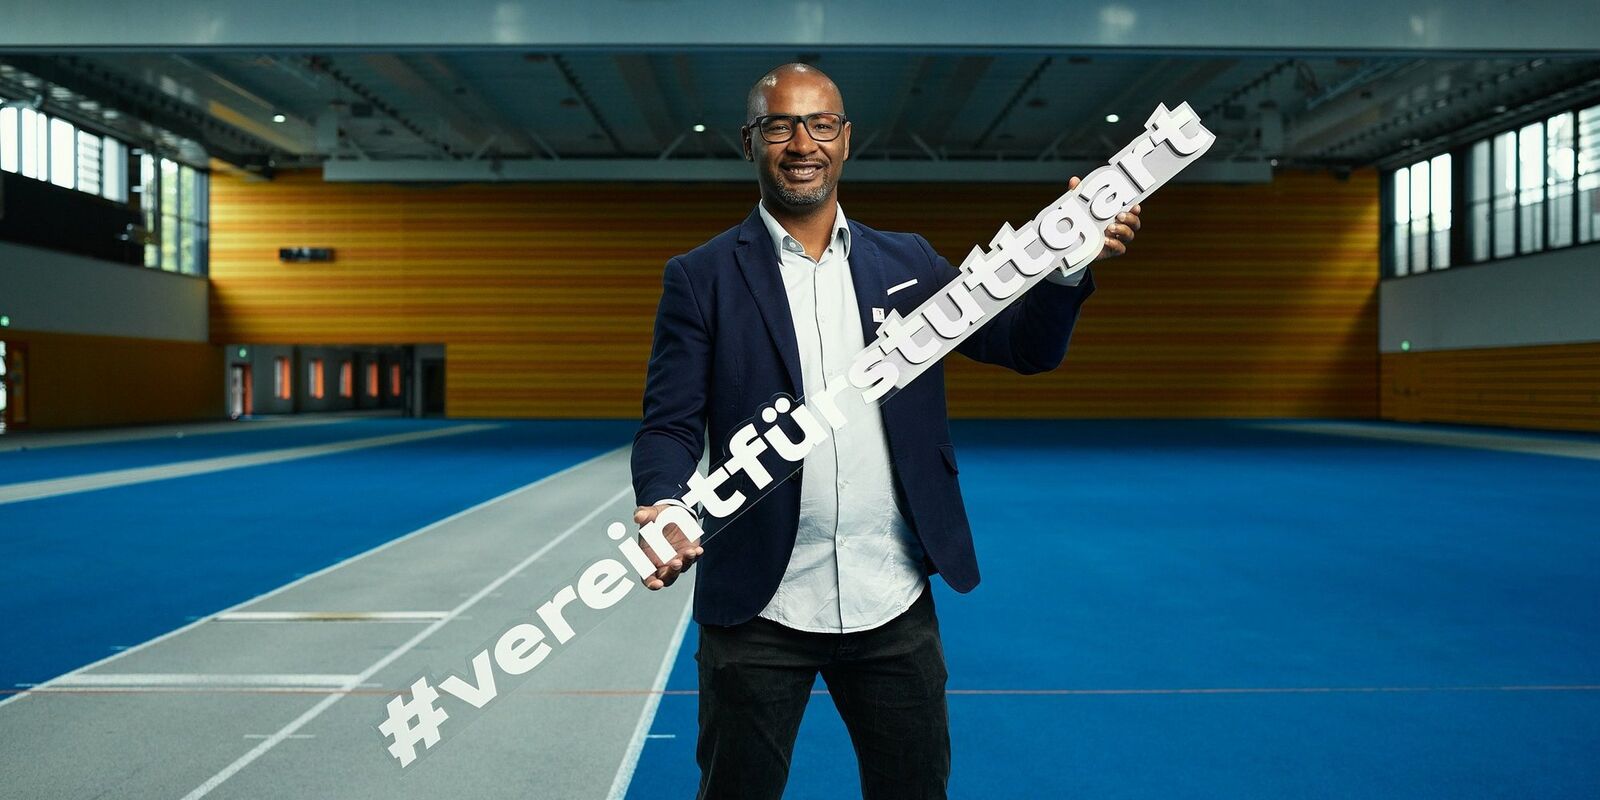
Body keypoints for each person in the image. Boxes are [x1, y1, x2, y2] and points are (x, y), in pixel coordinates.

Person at [630, 63, 1140, 800]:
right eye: (780, 125)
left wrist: (1064, 272)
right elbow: (670, 424)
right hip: (758, 608)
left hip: (891, 600)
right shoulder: (701, 276)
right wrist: (662, 498)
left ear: (845, 140)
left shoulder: (911, 263)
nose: (801, 141)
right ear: (750, 143)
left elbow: (1025, 350)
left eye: (821, 123)